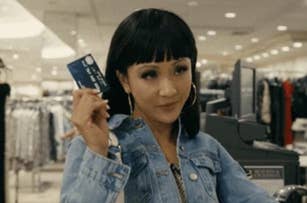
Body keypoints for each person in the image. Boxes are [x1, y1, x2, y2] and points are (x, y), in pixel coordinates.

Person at [60, 8, 277, 203]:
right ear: (124, 80)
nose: (169, 90)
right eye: (149, 74)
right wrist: (98, 152)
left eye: (180, 69)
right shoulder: (93, 147)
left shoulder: (206, 147)